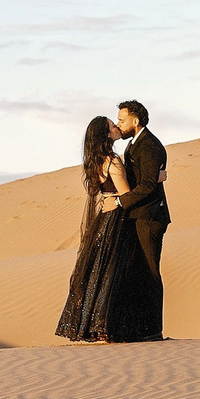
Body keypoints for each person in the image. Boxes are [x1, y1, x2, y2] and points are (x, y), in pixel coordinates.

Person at [56, 114, 163, 343]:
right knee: (115, 273)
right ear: (106, 135)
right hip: (117, 219)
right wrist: (156, 179)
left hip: (104, 219)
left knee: (101, 270)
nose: (117, 127)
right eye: (113, 126)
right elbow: (126, 193)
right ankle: (106, 326)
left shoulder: (96, 160)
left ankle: (95, 325)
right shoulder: (113, 160)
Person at [100, 98, 169, 334]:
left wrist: (119, 201)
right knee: (137, 272)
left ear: (135, 120)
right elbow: (145, 179)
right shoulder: (134, 144)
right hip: (137, 215)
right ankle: (140, 327)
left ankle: (153, 330)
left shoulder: (149, 145)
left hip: (149, 217)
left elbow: (148, 185)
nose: (119, 125)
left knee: (150, 272)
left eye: (122, 120)